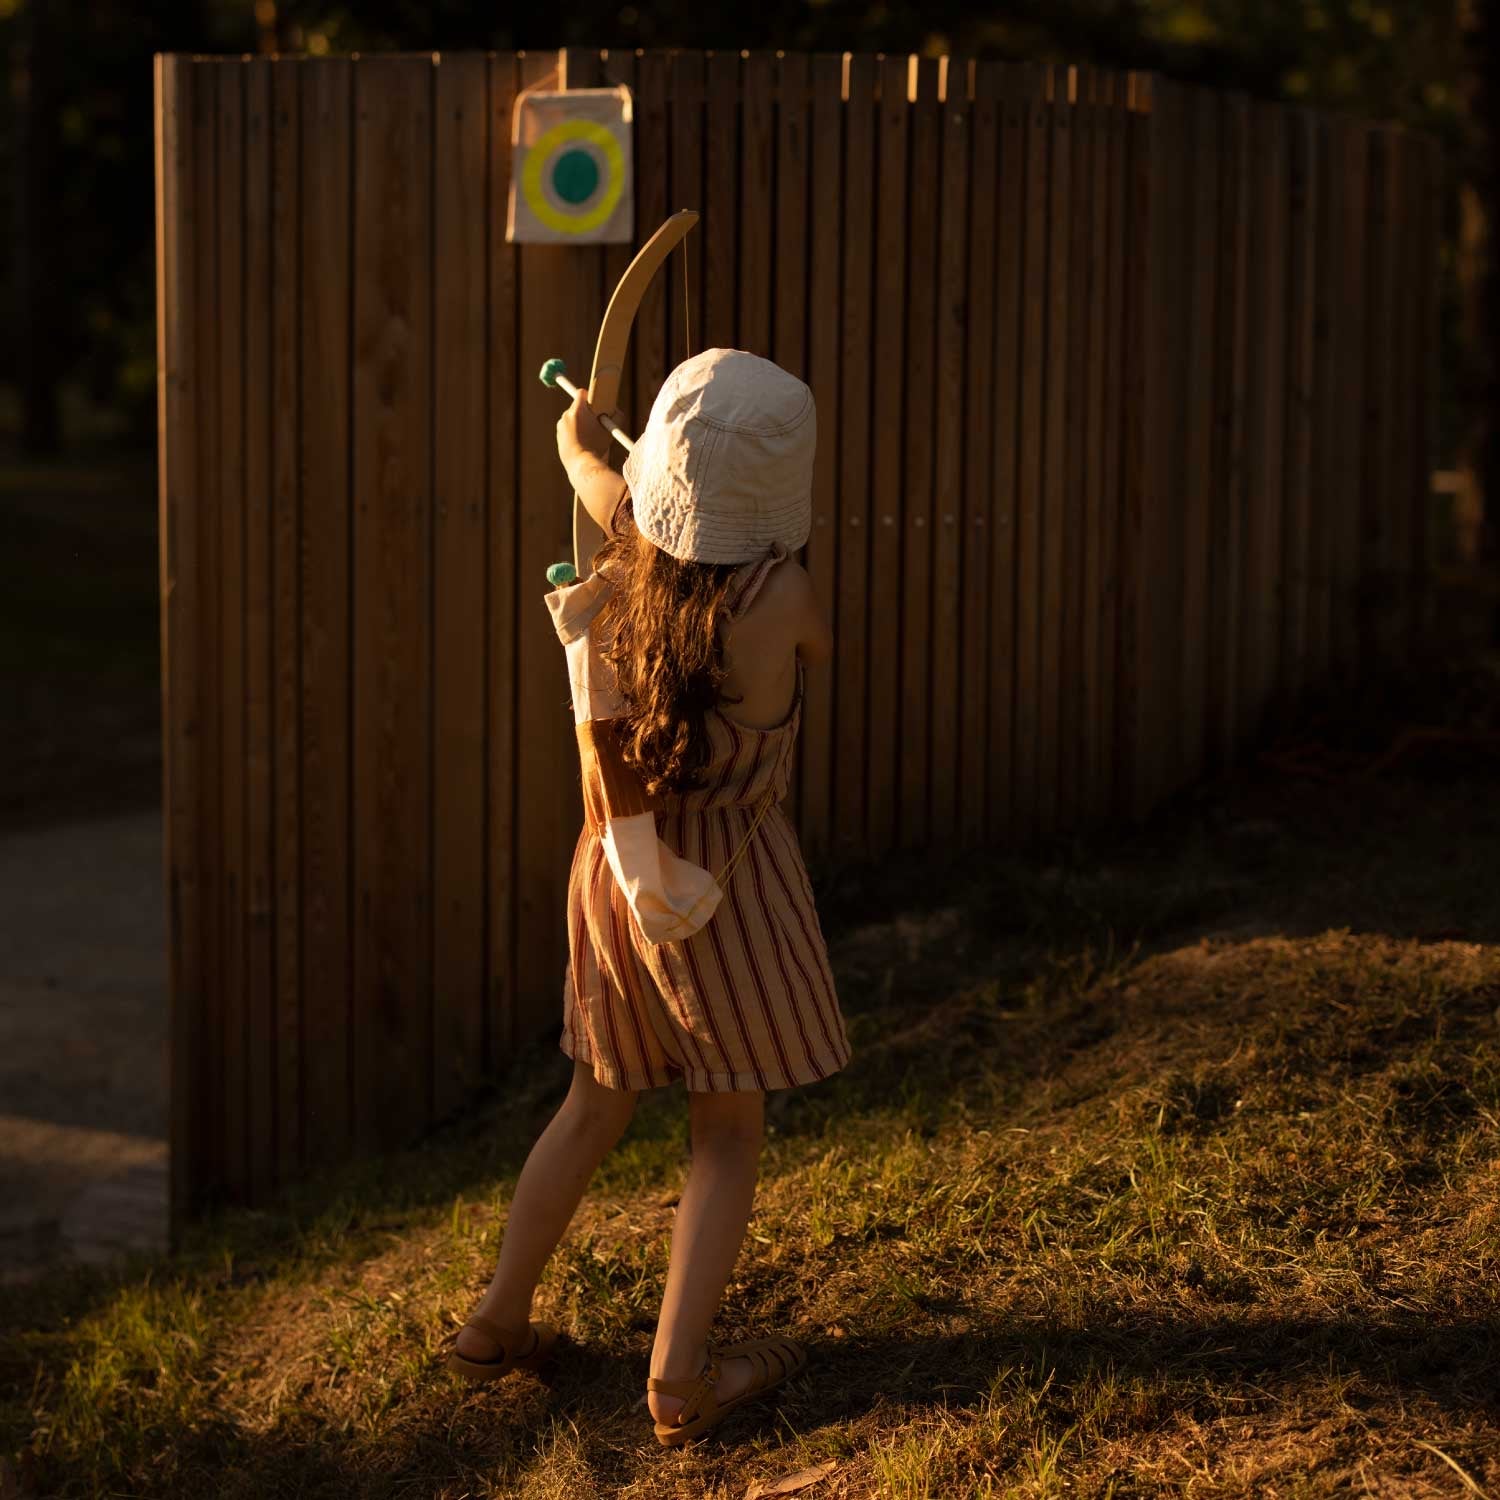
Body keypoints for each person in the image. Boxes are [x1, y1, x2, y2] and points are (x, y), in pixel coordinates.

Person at [444, 348, 853, 1446]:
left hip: (615, 878)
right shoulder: (788, 596)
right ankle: (679, 1383)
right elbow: (823, 645)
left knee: (592, 1104)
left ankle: (495, 1320)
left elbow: (579, 452)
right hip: (726, 884)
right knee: (725, 1128)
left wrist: (588, 423)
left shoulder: (621, 551)